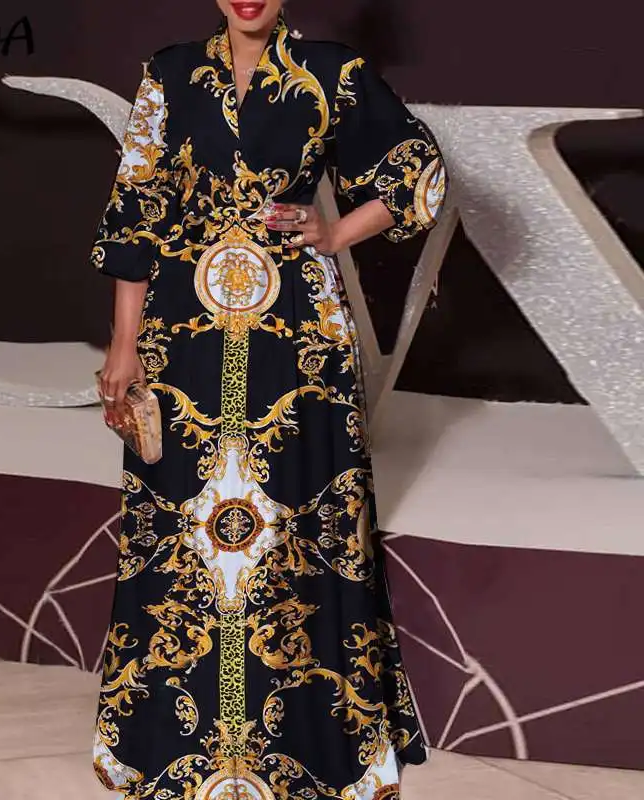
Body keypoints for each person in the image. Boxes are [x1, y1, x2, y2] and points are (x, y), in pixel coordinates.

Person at [92, 2, 446, 798]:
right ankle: (169, 740)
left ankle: (305, 741)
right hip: (181, 333)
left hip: (299, 336)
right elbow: (136, 209)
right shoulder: (170, 73)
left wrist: (336, 233)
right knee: (178, 525)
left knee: (299, 523)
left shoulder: (331, 71)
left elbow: (418, 172)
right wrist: (123, 341)